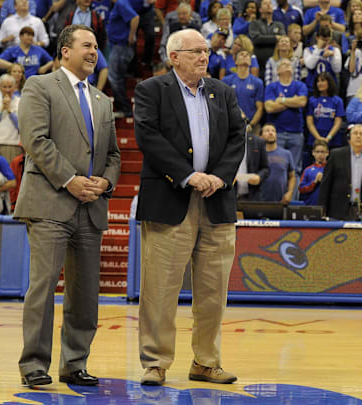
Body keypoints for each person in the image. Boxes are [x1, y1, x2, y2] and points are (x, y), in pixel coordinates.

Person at [133, 28, 244, 386]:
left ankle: (206, 362)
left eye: (206, 51)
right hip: (170, 200)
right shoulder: (151, 90)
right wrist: (188, 175)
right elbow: (148, 136)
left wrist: (219, 177)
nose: (204, 56)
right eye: (196, 51)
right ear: (174, 56)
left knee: (213, 292)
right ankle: (156, 362)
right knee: (160, 290)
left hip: (216, 201)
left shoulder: (222, 91)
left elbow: (237, 138)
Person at [14, 25, 121, 388]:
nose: (94, 52)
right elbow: (36, 141)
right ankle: (33, 364)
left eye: (96, 46)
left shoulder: (103, 100)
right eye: (86, 45)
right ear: (65, 51)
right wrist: (71, 180)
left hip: (90, 207)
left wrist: (105, 181)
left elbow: (113, 155)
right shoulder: (39, 86)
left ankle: (74, 363)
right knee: (43, 287)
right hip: (50, 202)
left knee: (85, 293)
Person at [318, 123, 362, 220]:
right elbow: (325, 186)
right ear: (349, 137)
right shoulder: (336, 155)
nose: (358, 136)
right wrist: (322, 210)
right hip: (337, 211)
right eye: (355, 133)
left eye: (361, 134)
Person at [264, 58, 307, 173]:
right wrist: (293, 101)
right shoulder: (272, 87)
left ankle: (294, 192)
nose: (287, 66)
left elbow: (302, 102)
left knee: (296, 169)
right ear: (277, 71)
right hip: (277, 132)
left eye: (289, 64)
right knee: (277, 167)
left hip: (296, 132)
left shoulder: (299, 85)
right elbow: (269, 108)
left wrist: (281, 100)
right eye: (283, 64)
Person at [221, 49, 264, 136]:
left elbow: (260, 108)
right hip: (231, 126)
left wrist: (251, 125)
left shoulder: (258, 82)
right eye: (241, 54)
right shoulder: (226, 81)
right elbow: (222, 104)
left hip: (252, 127)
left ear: (251, 62)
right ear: (235, 62)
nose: (244, 56)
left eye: (247, 55)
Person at [306, 72, 344, 155]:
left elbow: (338, 122)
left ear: (329, 82)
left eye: (322, 81)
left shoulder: (337, 101)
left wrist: (328, 138)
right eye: (318, 81)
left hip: (333, 141)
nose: (319, 83)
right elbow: (309, 122)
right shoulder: (312, 100)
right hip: (314, 140)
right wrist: (318, 138)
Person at [259, 122, 296, 203]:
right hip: (259, 200)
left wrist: (290, 193)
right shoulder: (256, 154)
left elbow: (292, 177)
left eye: (273, 131)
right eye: (267, 131)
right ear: (260, 136)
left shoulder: (286, 154)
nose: (271, 133)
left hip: (281, 200)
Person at [249, 0, 286, 70]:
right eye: (265, 3)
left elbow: (283, 40)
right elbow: (256, 40)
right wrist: (275, 38)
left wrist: (264, 39)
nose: (268, 5)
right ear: (260, 9)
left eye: (270, 3)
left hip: (276, 63)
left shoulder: (279, 25)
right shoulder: (254, 23)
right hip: (259, 64)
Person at [302, 25, 341, 90]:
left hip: (330, 88)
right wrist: (318, 49)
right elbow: (310, 66)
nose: (325, 42)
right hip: (313, 87)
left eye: (327, 40)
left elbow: (337, 70)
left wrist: (333, 57)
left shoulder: (335, 50)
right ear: (317, 38)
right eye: (322, 40)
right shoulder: (308, 50)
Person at [235, 129, 270, 201]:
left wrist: (259, 176)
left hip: (252, 194)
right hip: (231, 195)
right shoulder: (225, 141)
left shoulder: (258, 142)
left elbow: (266, 168)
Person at [299, 140, 328, 205]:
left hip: (328, 207)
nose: (320, 154)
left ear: (327, 153)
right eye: (317, 152)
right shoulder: (307, 170)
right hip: (311, 205)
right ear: (313, 153)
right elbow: (301, 189)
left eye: (322, 152)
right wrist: (314, 182)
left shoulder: (331, 169)